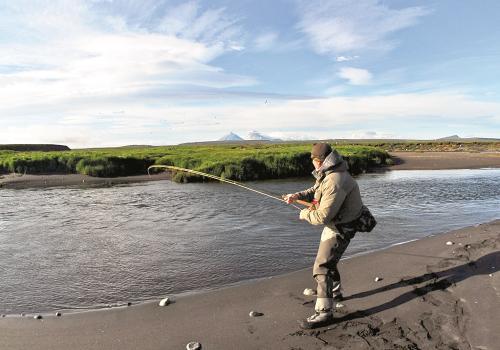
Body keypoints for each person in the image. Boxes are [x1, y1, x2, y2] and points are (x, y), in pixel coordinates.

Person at [283, 142, 364, 329]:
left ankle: (324, 312)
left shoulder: (336, 180)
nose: (312, 164)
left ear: (319, 161)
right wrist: (296, 195)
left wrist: (304, 214)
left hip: (341, 227)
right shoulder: (329, 173)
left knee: (322, 266)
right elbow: (315, 191)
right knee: (329, 261)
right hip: (337, 223)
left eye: (313, 161)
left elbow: (321, 216)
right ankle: (334, 292)